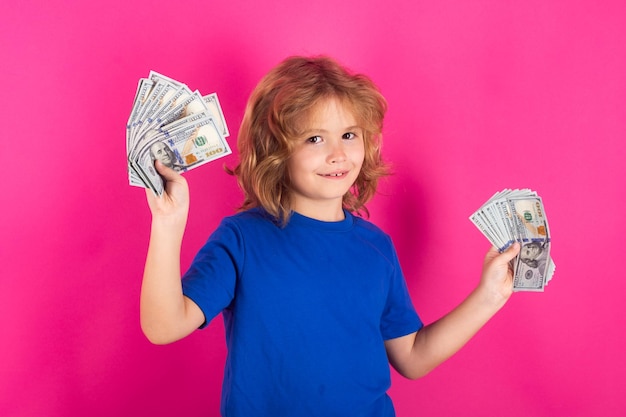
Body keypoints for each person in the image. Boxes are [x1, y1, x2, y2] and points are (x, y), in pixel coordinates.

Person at [140, 55, 520, 417]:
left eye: (349, 135)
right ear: (276, 151)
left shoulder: (377, 249)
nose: (338, 154)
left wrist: (489, 296)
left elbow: (413, 357)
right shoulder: (241, 239)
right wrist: (168, 223)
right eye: (315, 139)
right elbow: (163, 327)